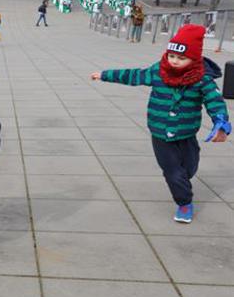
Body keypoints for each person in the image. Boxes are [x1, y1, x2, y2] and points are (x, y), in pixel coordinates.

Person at [90, 25, 230, 223]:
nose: (174, 61)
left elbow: (215, 101)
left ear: (194, 58)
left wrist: (221, 123)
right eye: (172, 56)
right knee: (173, 172)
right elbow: (134, 75)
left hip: (186, 132)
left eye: (181, 58)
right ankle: (184, 203)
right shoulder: (159, 71)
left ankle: (182, 180)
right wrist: (105, 75)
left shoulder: (202, 79)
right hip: (160, 132)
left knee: (188, 168)